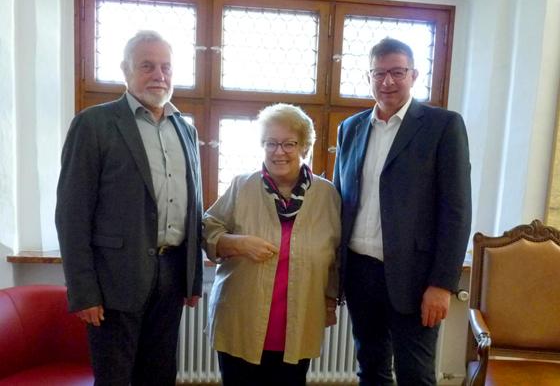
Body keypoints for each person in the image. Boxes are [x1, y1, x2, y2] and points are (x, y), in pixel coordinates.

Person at [55, 30, 203, 386]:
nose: (159, 75)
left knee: (159, 374)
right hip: (113, 281)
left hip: (171, 276)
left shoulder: (186, 129)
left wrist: (193, 277)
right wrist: (83, 292)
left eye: (166, 67)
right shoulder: (94, 124)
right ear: (125, 70)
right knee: (116, 378)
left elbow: (193, 207)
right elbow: (72, 214)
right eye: (147, 66)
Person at [333, 38, 471, 386]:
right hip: (360, 272)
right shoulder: (351, 129)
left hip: (416, 278)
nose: (388, 81)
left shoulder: (443, 126)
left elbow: (456, 211)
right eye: (379, 73)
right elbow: (340, 202)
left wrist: (441, 284)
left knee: (416, 375)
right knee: (371, 367)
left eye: (397, 72)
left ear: (414, 74)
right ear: (369, 76)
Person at [203, 103, 341, 386]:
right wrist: (236, 243)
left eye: (289, 143)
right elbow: (208, 227)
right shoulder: (243, 186)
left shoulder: (327, 195)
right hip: (241, 318)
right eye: (271, 143)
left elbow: (337, 255)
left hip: (299, 321)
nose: (279, 152)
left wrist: (330, 303)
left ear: (304, 146)